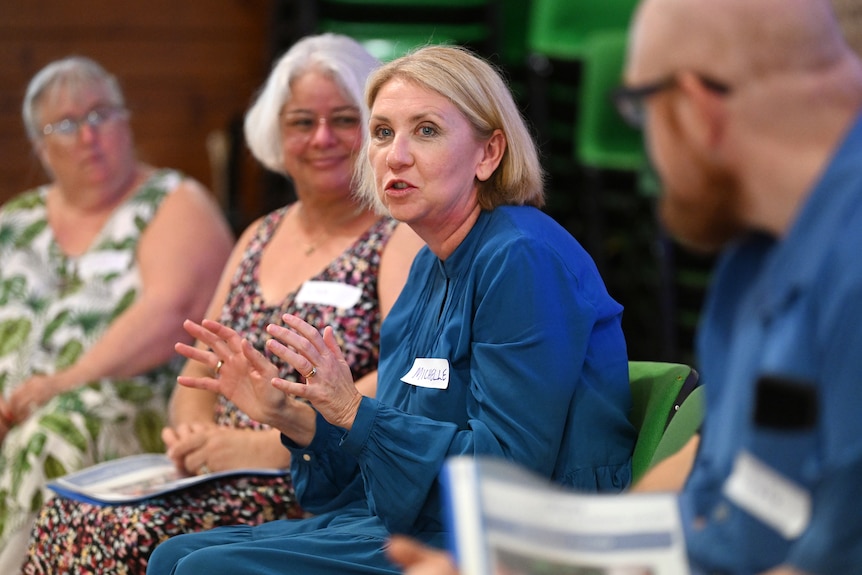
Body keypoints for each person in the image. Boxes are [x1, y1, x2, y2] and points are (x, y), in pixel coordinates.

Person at [393, 0, 862, 574]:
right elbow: (713, 479)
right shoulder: (754, 259)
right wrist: (525, 561)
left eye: (638, 112)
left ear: (693, 108)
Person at [145, 44, 636, 575]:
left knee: (205, 570)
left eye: (426, 130)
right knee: (177, 554)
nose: (395, 156)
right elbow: (375, 474)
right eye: (382, 133)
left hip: (511, 539)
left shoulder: (521, 257)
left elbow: (504, 476)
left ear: (488, 154)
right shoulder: (429, 264)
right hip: (422, 518)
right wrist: (289, 413)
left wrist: (352, 409)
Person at [22, 34, 423, 574]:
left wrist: (255, 447)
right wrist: (194, 436)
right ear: (277, 136)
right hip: (214, 469)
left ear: (376, 132)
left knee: (121, 533)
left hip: (314, 476)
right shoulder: (260, 232)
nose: (322, 138)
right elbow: (200, 358)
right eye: (303, 122)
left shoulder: (398, 238)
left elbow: (401, 379)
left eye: (345, 120)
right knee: (66, 514)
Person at [0, 56, 233, 570]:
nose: (89, 136)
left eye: (101, 114)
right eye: (66, 124)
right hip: (16, 407)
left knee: (49, 436)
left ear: (126, 120)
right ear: (40, 146)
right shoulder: (15, 221)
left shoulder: (173, 201)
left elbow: (169, 311)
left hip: (134, 402)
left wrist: (63, 382)